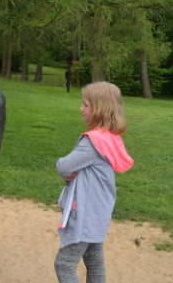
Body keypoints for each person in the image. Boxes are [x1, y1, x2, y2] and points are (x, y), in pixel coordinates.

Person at [54, 81, 134, 283]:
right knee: (94, 259)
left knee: (64, 263)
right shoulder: (111, 138)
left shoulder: (93, 142)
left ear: (99, 109)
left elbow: (64, 166)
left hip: (85, 214)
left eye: (86, 105)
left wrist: (67, 171)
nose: (81, 108)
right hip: (99, 212)